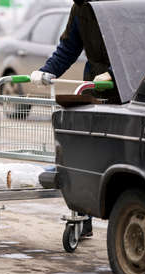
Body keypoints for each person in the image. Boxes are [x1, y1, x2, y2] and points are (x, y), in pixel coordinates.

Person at [31, 0, 117, 238]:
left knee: (115, 157)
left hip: (127, 88)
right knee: (85, 153)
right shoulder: (80, 8)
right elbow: (69, 46)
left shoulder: (119, 5)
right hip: (95, 87)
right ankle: (83, 216)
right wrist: (48, 70)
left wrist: (114, 72)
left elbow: (138, 47)